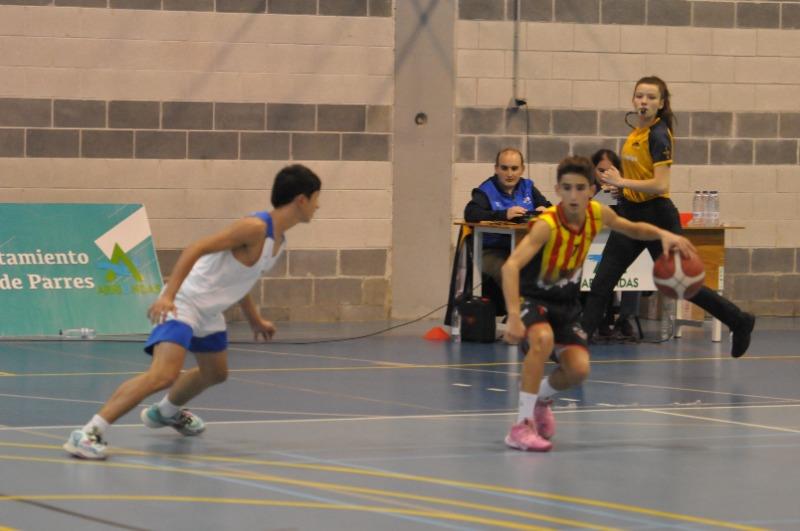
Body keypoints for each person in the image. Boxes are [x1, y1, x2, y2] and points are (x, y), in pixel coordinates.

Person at [63, 164, 322, 460]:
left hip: (209, 311)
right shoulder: (255, 228)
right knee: (163, 375)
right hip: (185, 301)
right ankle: (88, 433)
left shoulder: (279, 242)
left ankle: (165, 412)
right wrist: (168, 295)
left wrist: (255, 320)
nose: (318, 206)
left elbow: (241, 280)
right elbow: (195, 248)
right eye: (316, 198)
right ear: (301, 199)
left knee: (216, 373)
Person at [501, 155, 695, 451]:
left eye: (580, 188)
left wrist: (663, 233)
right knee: (542, 338)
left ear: (592, 190)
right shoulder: (546, 225)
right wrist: (514, 316)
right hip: (534, 300)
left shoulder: (598, 214)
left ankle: (541, 397)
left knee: (578, 370)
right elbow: (510, 267)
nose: (574, 195)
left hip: (566, 305)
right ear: (558, 190)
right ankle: (521, 426)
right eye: (567, 188)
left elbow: (633, 229)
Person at [581, 76, 755, 357]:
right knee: (602, 281)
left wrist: (622, 181)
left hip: (657, 216)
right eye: (640, 96)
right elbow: (640, 178)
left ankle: (739, 320)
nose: (644, 101)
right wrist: (619, 187)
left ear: (661, 104)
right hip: (630, 214)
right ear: (633, 100)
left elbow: (660, 185)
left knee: (682, 284)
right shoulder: (636, 133)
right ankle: (575, 345)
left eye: (651, 97)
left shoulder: (659, 135)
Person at [463, 147, 551, 287]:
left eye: (514, 168)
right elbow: (471, 213)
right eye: (504, 168)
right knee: (511, 274)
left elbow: (547, 206)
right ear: (496, 169)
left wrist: (545, 209)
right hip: (492, 250)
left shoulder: (528, 187)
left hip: (524, 247)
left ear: (522, 169)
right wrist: (504, 215)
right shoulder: (486, 190)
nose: (509, 174)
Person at [590, 148, 642, 341]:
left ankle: (625, 317)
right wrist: (603, 196)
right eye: (601, 170)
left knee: (636, 266)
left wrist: (620, 194)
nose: (605, 175)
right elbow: (588, 213)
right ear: (593, 170)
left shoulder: (625, 190)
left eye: (610, 171)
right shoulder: (587, 188)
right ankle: (602, 318)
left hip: (618, 243)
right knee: (604, 272)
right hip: (593, 247)